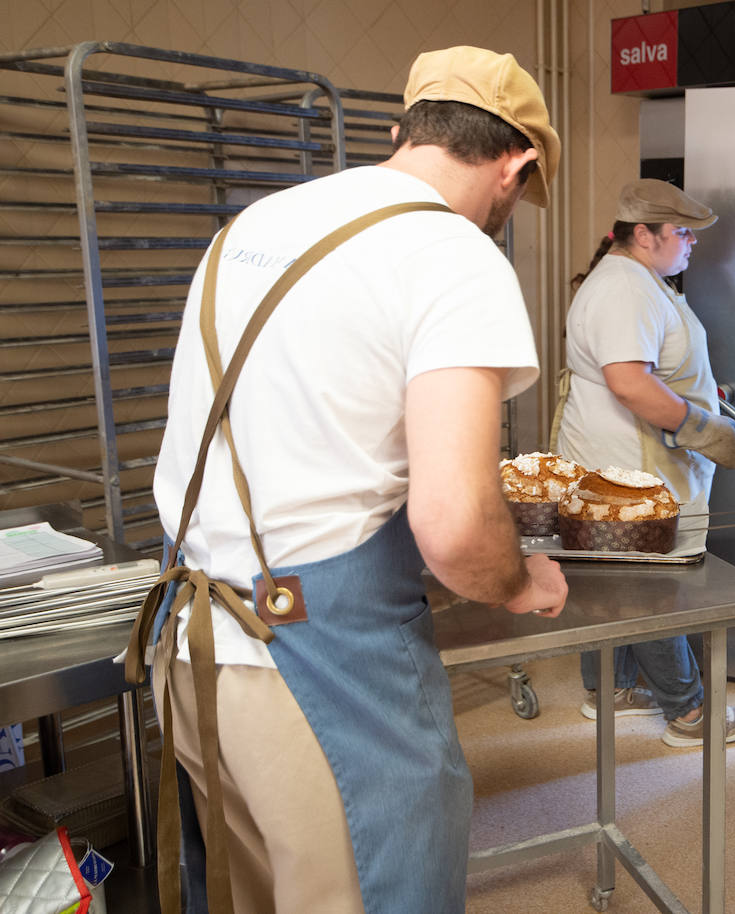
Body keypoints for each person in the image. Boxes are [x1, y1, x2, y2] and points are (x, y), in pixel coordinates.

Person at [125, 46, 568, 914]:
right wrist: (517, 582)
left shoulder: (254, 225)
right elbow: (454, 525)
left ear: (400, 131)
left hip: (190, 647)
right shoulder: (453, 253)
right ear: (515, 167)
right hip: (319, 673)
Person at [551, 178, 735, 748]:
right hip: (627, 472)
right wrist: (705, 430)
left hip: (617, 466)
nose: (692, 243)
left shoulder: (639, 281)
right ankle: (689, 713)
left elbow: (656, 368)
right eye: (683, 232)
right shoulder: (626, 288)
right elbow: (630, 384)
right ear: (644, 235)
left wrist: (703, 397)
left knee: (615, 582)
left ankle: (610, 691)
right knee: (648, 587)